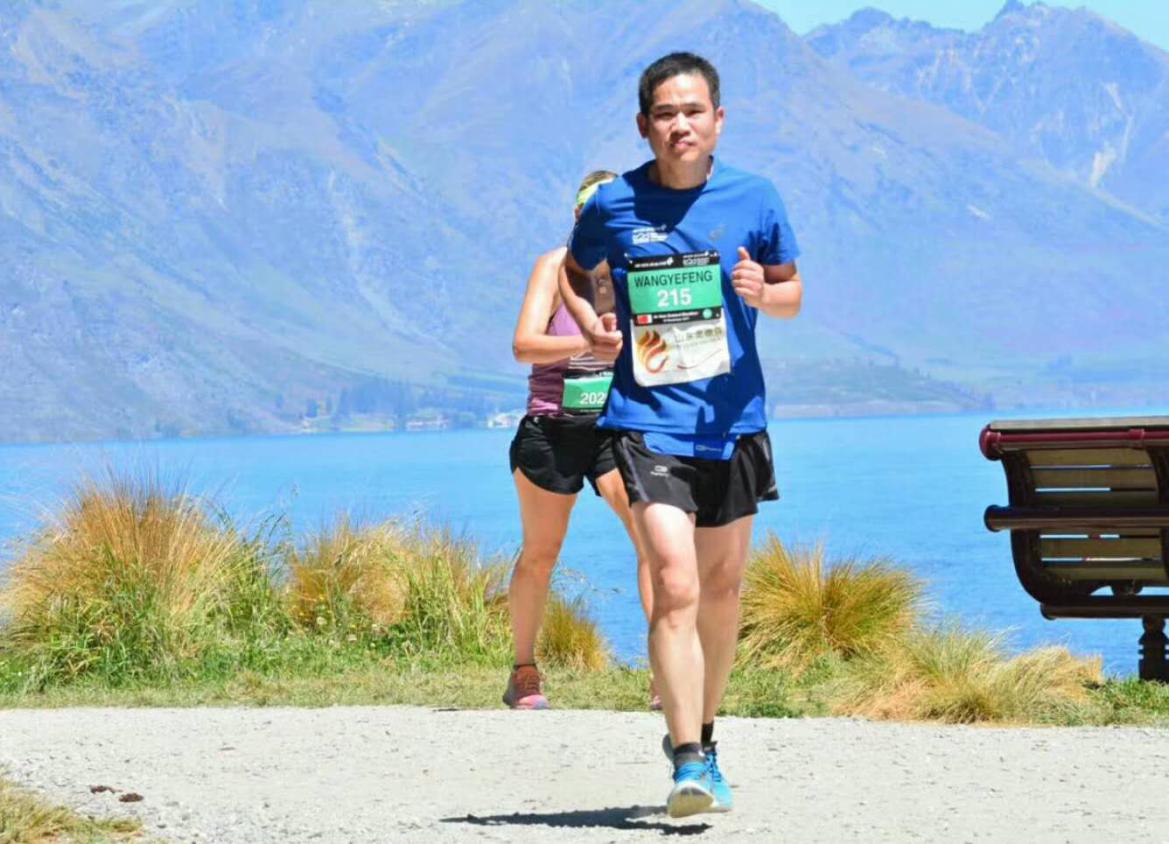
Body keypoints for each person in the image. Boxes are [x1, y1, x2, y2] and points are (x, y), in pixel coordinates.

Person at [560, 53, 803, 817]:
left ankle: (703, 735)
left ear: (717, 120)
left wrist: (764, 292)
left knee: (721, 594)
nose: (680, 125)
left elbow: (792, 292)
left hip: (732, 424)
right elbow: (574, 269)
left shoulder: (755, 197)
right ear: (644, 125)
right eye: (665, 113)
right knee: (674, 582)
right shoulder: (614, 204)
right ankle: (688, 761)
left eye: (693, 111)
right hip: (645, 422)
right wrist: (593, 321)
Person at [504, 170, 657, 711]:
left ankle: (665, 670)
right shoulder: (553, 267)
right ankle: (524, 670)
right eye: (597, 213)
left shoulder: (638, 269)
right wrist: (587, 344)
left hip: (617, 425)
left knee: (650, 538)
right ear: (579, 217)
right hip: (554, 426)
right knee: (541, 553)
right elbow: (524, 345)